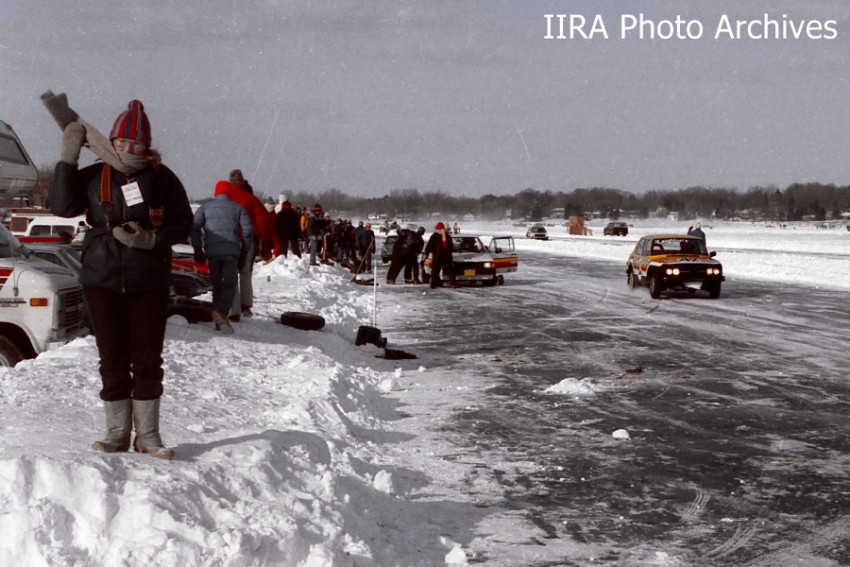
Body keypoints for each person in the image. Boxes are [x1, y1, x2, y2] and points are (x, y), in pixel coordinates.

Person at [46, 95, 193, 460]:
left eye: (137, 142)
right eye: (122, 141)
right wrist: (68, 157)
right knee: (111, 357)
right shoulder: (95, 175)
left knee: (147, 359)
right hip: (101, 278)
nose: (129, 147)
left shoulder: (161, 178)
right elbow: (62, 207)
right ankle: (115, 433)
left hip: (148, 281)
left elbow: (184, 223)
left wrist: (153, 238)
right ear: (110, 141)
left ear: (147, 146)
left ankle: (149, 436)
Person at [192, 181, 252, 334]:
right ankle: (222, 312)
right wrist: (244, 252)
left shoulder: (205, 207)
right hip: (231, 252)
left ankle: (218, 321)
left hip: (212, 252)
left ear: (215, 193)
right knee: (230, 285)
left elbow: (195, 226)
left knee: (217, 286)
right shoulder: (238, 208)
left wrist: (198, 248)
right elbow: (247, 232)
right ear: (229, 193)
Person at [224, 175, 274, 321]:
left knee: (230, 273)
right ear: (243, 182)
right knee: (246, 272)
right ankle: (246, 305)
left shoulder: (224, 199)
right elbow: (263, 223)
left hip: (228, 240)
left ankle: (233, 309)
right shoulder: (252, 199)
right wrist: (266, 244)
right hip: (248, 241)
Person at [423, 222, 456, 288]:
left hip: (437, 256)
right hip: (447, 256)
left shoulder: (434, 236)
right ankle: (453, 283)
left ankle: (433, 284)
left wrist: (426, 254)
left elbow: (429, 246)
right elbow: (451, 247)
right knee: (449, 270)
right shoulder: (448, 236)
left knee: (435, 270)